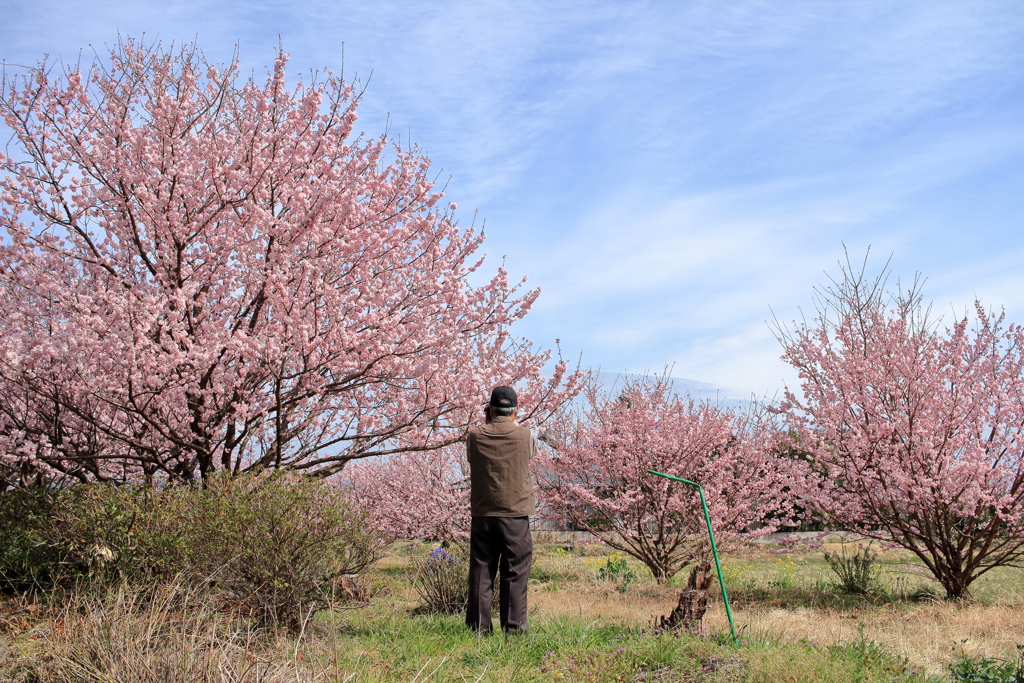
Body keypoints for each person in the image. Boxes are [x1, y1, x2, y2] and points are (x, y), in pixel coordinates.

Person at [465, 385, 536, 634]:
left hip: (483, 514)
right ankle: (514, 629)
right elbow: (529, 454)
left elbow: (472, 458)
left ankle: (479, 629)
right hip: (515, 514)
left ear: (490, 410)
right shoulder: (526, 435)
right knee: (515, 571)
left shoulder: (475, 435)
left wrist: (488, 424)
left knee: (481, 569)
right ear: (515, 411)